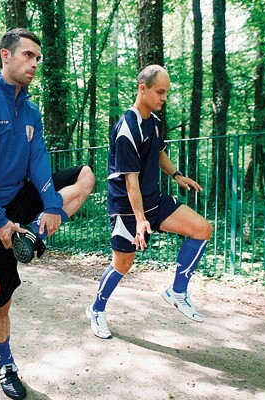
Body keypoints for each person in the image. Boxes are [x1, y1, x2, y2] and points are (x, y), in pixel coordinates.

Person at [0, 28, 95, 400]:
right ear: (5, 56)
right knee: (0, 302)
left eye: (38, 58)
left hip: (19, 196)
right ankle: (6, 363)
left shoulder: (30, 108)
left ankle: (33, 235)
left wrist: (50, 204)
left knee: (85, 176)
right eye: (28, 55)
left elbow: (38, 158)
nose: (35, 63)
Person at [85, 65, 213, 340]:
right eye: (160, 92)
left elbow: (159, 154)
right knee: (122, 265)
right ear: (143, 89)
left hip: (154, 201)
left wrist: (177, 175)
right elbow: (130, 182)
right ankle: (96, 309)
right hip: (128, 210)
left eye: (166, 93)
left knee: (202, 229)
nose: (163, 98)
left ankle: (177, 291)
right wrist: (140, 219)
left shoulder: (154, 123)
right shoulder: (126, 129)